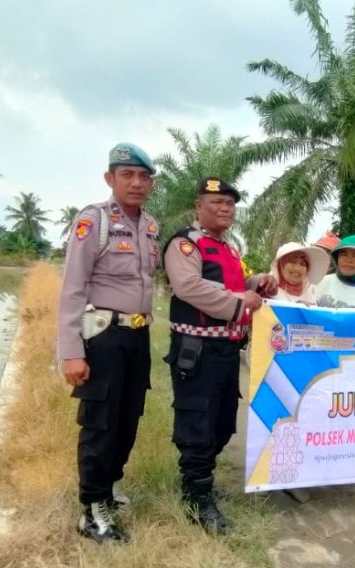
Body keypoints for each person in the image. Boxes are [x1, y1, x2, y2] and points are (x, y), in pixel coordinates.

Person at [57, 142, 160, 544]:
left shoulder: (150, 226)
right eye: (127, 175)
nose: (136, 183)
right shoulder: (93, 221)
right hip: (103, 335)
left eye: (144, 176)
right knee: (100, 423)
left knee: (128, 417)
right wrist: (70, 352)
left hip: (137, 335)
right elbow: (72, 287)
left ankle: (110, 485)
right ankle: (92, 508)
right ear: (110, 179)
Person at [163, 176, 278, 534]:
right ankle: (197, 499)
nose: (225, 208)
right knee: (198, 422)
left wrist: (255, 283)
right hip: (196, 348)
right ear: (198, 206)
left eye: (230, 203)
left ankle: (200, 486)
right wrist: (240, 301)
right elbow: (189, 287)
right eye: (216, 202)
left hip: (227, 347)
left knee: (224, 421)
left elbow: (232, 289)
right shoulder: (185, 244)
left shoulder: (228, 249)